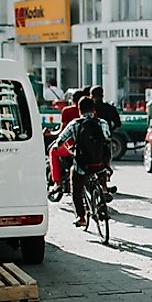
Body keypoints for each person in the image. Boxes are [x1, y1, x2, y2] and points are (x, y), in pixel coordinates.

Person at [54, 96, 113, 227]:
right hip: (100, 164)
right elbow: (108, 138)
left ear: (79, 110)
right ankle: (103, 188)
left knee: (76, 188)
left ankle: (81, 217)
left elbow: (60, 140)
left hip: (82, 165)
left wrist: (56, 146)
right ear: (93, 109)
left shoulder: (75, 123)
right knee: (103, 164)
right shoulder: (102, 122)